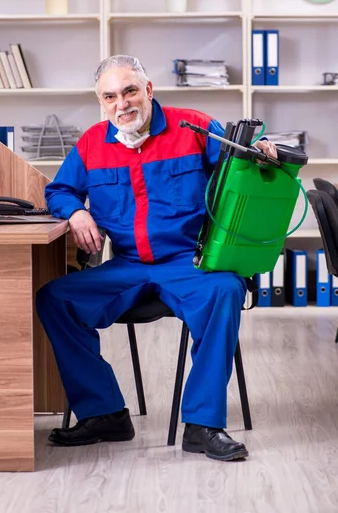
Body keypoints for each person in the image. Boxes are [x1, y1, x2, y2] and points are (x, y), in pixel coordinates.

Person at [36, 55, 277, 462]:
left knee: (226, 289)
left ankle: (203, 424)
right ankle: (104, 413)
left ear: (148, 90)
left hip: (191, 262)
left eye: (129, 91)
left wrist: (260, 156)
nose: (122, 103)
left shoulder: (194, 127)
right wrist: (76, 211)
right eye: (110, 96)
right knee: (54, 299)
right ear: (101, 102)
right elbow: (60, 190)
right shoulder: (93, 143)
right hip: (128, 266)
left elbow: (241, 170)